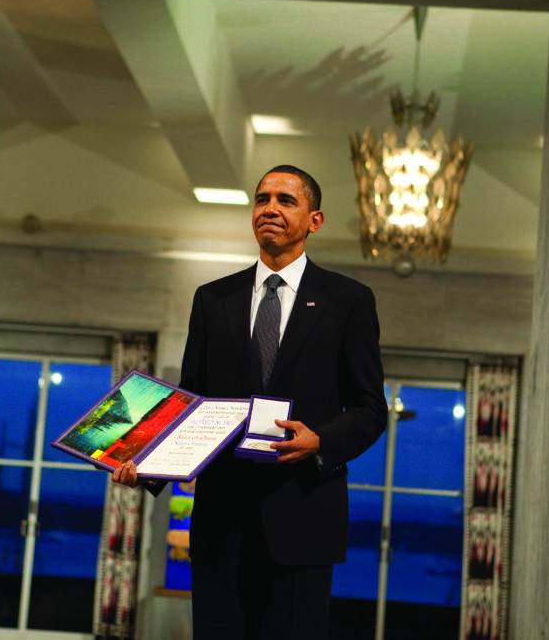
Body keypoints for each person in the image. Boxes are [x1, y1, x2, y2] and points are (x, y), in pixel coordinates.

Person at [114, 164, 387, 639]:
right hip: (222, 526)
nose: (271, 210)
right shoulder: (212, 299)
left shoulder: (348, 301)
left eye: (286, 201)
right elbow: (189, 405)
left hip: (302, 521)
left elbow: (369, 408)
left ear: (315, 220)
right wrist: (144, 461)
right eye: (262, 199)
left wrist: (321, 439)